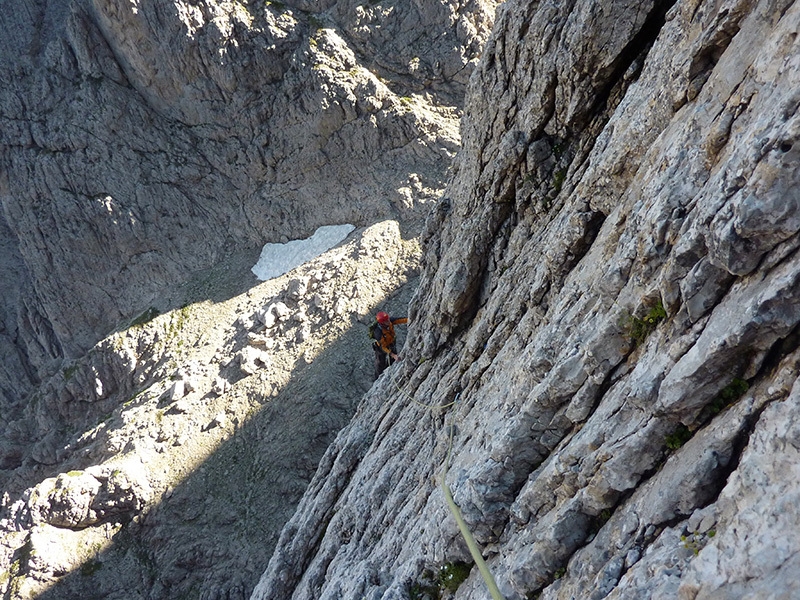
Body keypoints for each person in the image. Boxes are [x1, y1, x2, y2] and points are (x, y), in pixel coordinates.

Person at [370, 311, 408, 380]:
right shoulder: (378, 332)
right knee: (380, 364)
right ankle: (378, 378)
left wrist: (410, 320)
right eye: (386, 320)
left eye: (388, 319)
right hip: (380, 348)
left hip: (391, 343)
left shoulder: (389, 321)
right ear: (382, 323)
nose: (388, 321)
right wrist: (393, 355)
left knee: (393, 360)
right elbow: (383, 347)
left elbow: (401, 320)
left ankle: (390, 372)